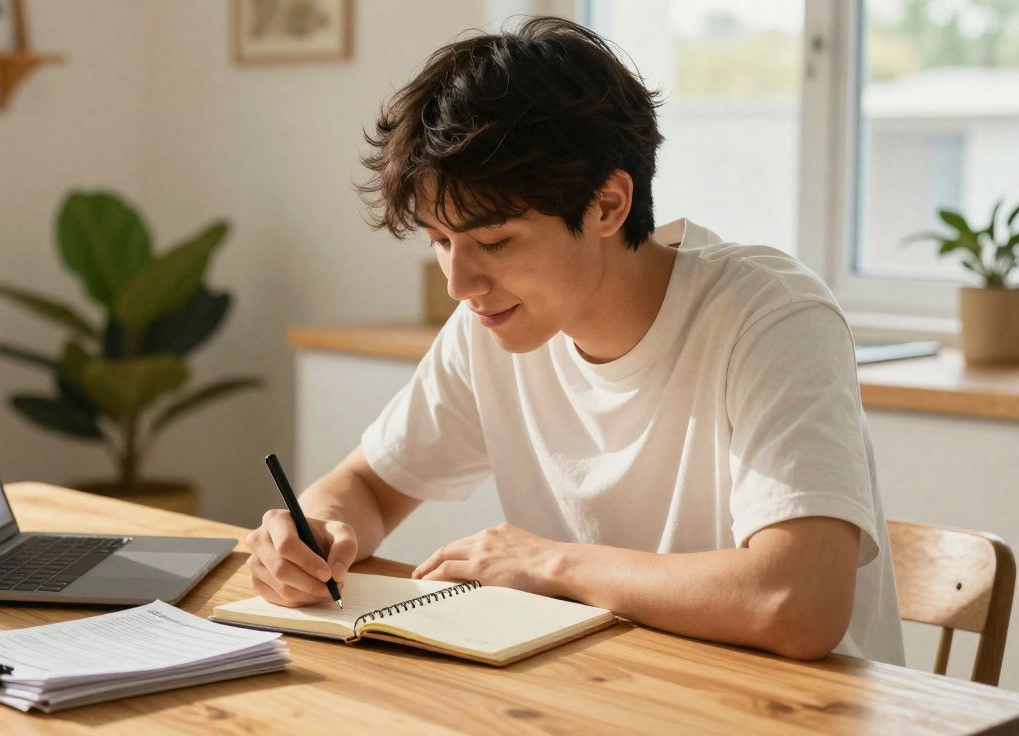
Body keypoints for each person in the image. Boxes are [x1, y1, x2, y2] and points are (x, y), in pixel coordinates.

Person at [244, 16, 904, 664]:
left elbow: (797, 603)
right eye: (441, 243)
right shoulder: (491, 324)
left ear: (608, 205)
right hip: (613, 693)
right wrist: (314, 535)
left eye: (495, 242)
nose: (459, 283)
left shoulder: (770, 317)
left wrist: (549, 563)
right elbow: (369, 486)